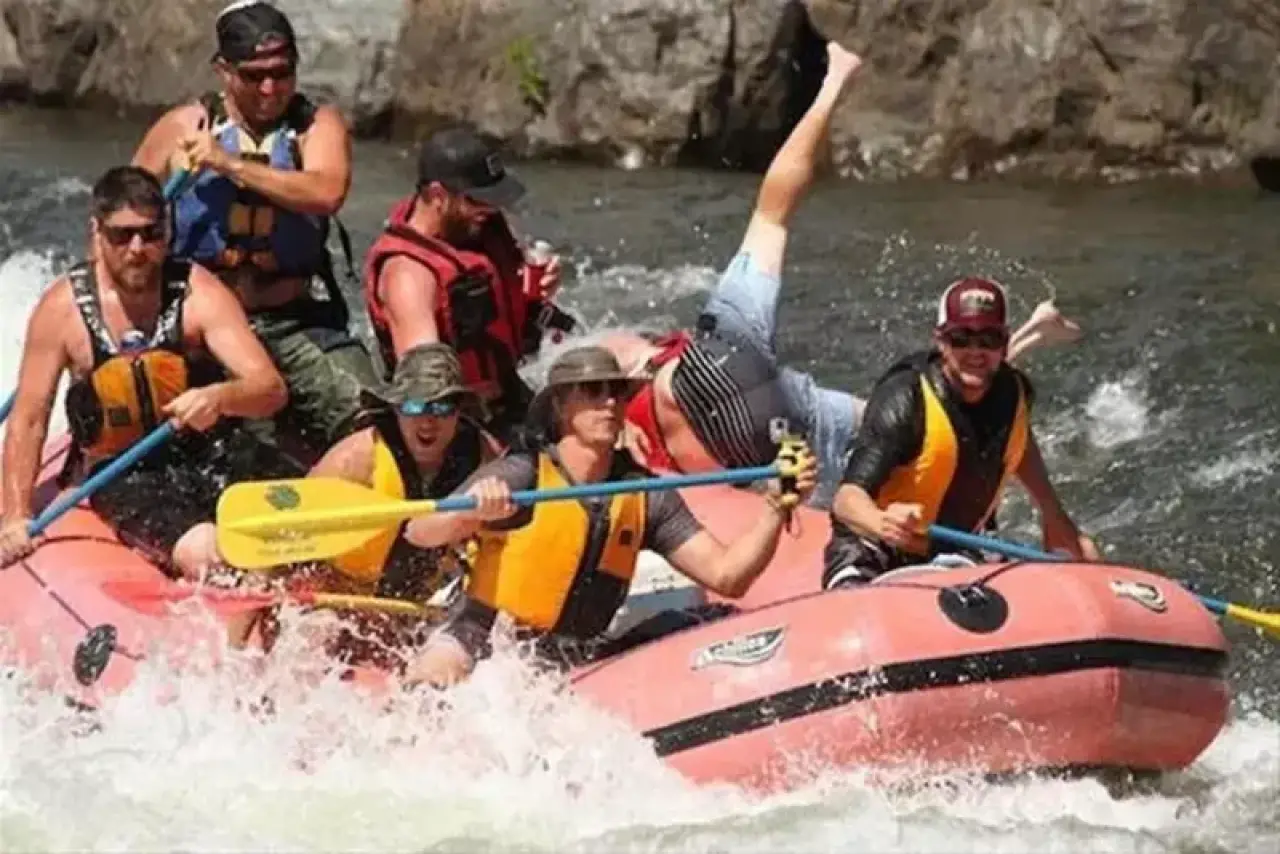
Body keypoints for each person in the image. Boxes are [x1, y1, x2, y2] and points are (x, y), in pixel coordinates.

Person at [593, 42, 1083, 508]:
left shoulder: (620, 426)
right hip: (740, 369)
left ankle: (1023, 340)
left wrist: (613, 424)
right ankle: (834, 81)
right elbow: (613, 351)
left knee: (899, 436)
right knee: (771, 218)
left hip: (751, 429)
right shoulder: (652, 357)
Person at [394, 345, 818, 688]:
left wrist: (775, 508)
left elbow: (729, 577)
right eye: (593, 392)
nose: (610, 403)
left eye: (617, 391)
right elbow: (419, 530)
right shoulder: (523, 474)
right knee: (435, 678)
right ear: (562, 406)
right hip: (483, 637)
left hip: (572, 657)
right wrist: (467, 517)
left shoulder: (645, 495)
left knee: (701, 625)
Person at [0, 166, 290, 577]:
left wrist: (220, 398)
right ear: (97, 233)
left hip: (209, 453)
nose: (137, 248)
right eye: (122, 235)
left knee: (301, 512)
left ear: (167, 231)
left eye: (151, 234)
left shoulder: (198, 292)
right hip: (122, 473)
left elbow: (270, 389)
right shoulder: (62, 311)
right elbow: (29, 418)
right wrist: (15, 517)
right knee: (208, 550)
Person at [131, 0, 377, 465]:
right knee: (228, 448)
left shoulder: (315, 127)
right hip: (201, 331)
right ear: (223, 71)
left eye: (282, 73)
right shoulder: (183, 127)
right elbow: (120, 220)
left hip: (291, 320)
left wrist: (226, 163)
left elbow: (326, 191)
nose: (270, 88)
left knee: (376, 421)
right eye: (253, 75)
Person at [821, 277, 1100, 589]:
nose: (975, 351)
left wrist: (1054, 515)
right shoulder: (905, 400)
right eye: (961, 338)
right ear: (940, 341)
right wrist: (881, 523)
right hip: (874, 548)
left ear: (1005, 343)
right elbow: (846, 500)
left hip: (953, 552)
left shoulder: (1014, 393)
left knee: (1072, 565)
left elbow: (1017, 444)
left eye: (989, 339)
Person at [362, 126, 570, 444]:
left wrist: (532, 296)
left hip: (511, 396)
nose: (489, 210)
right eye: (478, 200)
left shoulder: (472, 231)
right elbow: (428, 392)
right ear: (437, 196)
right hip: (465, 426)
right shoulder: (408, 277)